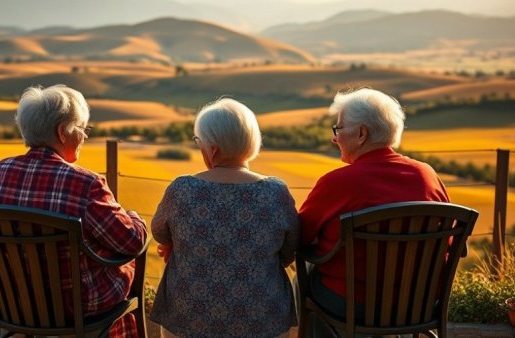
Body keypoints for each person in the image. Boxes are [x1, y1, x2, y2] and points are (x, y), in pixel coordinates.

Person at [0, 84, 147, 338]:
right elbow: (131, 242)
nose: (85, 137)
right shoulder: (85, 184)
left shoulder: (0, 172)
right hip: (76, 308)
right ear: (62, 132)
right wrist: (135, 217)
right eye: (82, 129)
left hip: (15, 304)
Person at [298, 87, 450, 337]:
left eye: (338, 130)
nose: (335, 139)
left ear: (361, 134)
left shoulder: (337, 183)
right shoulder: (427, 175)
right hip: (418, 303)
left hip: (353, 304)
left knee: (304, 279)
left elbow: (300, 237)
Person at [150, 98, 300, 338]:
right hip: (262, 320)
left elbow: (159, 233)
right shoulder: (276, 192)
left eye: (199, 142)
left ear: (213, 149)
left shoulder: (182, 189)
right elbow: (288, 251)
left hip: (188, 318)